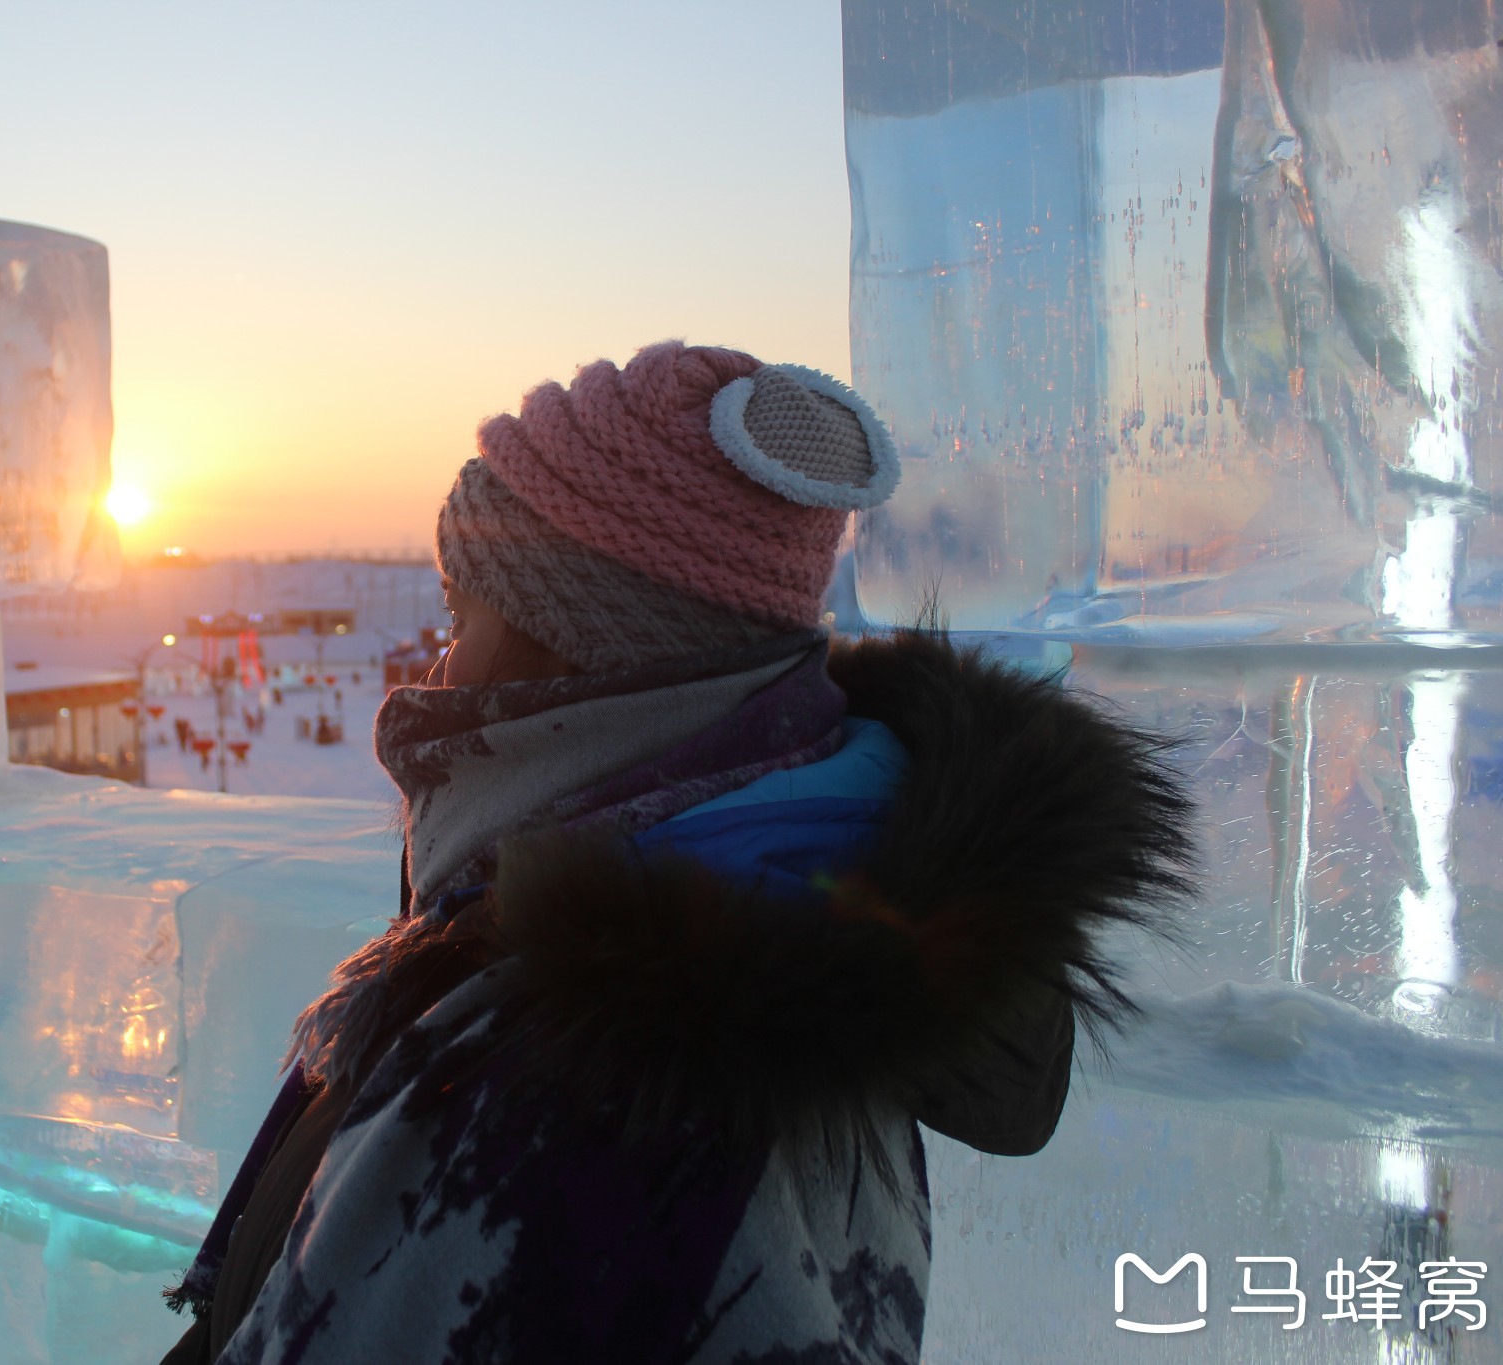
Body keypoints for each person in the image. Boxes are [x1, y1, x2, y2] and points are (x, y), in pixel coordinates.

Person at [158, 341, 1194, 1364]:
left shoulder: (563, 1078)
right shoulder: (775, 922)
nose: (438, 665)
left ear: (573, 652)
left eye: (458, 614)